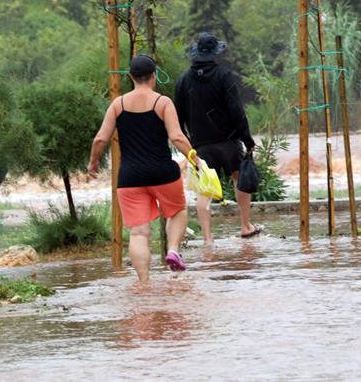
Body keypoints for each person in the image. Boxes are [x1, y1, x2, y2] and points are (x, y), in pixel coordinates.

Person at [88, 55, 195, 282]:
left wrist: (93, 162)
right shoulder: (163, 103)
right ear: (154, 76)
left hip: (130, 178)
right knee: (177, 211)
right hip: (163, 173)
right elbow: (176, 136)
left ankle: (144, 284)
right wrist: (195, 158)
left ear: (130, 77)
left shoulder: (118, 104)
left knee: (138, 232)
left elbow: (100, 139)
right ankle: (173, 250)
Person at [174, 32, 261, 243]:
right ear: (215, 53)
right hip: (229, 141)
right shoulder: (225, 75)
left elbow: (178, 116)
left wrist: (186, 143)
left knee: (205, 189)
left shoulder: (184, 80)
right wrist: (247, 139)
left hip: (200, 145)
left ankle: (207, 238)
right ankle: (245, 225)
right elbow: (236, 110)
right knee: (238, 179)